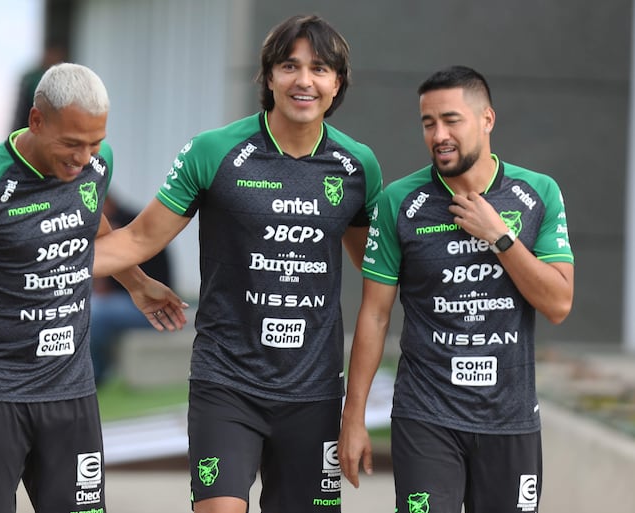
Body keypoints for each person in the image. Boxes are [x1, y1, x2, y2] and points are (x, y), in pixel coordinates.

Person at [93, 14, 383, 513]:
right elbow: (138, 237)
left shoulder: (358, 167)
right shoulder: (214, 152)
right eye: (289, 66)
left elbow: (378, 275)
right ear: (269, 77)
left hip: (313, 391)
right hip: (226, 383)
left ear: (337, 84)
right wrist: (40, 258)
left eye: (319, 69)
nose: (304, 81)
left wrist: (355, 412)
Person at [0, 62, 187, 513]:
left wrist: (135, 282)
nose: (84, 157)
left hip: (72, 392)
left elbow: (87, 221)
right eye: (72, 143)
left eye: (95, 142)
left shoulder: (97, 164)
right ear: (36, 120)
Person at [338, 65, 575, 513]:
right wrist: (354, 415)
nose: (438, 135)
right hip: (425, 415)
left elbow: (559, 302)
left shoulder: (537, 192)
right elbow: (374, 315)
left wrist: (500, 237)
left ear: (486, 120)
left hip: (510, 418)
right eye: (428, 123)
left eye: (451, 120)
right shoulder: (399, 202)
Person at [90, 192, 173, 386]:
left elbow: (104, 282)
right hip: (129, 298)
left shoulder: (125, 223)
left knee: (95, 311)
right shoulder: (125, 219)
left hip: (150, 303)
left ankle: (96, 375)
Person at [11, 43, 67, 131]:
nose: (53, 58)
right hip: (28, 119)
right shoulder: (31, 77)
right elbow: (21, 109)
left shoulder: (63, 78)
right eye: (51, 54)